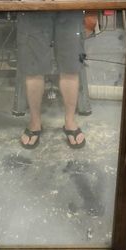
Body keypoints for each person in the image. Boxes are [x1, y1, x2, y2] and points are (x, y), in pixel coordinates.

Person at [16, 11, 86, 149]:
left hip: (71, 1)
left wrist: (94, 11)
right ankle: (35, 122)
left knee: (71, 66)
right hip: (32, 1)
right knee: (33, 67)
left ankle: (70, 121)